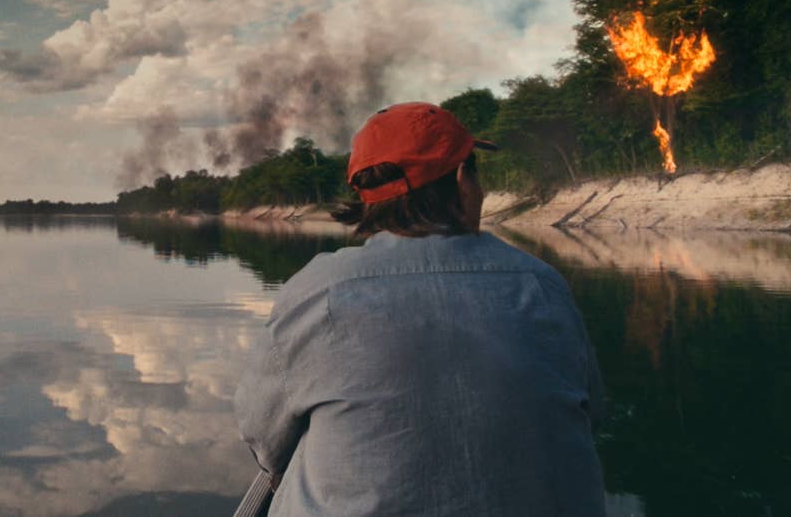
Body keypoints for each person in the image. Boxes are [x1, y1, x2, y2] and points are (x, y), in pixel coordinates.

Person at [234, 102, 605, 516]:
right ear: (465, 180)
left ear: (365, 196)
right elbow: (592, 409)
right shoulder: (543, 284)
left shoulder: (318, 290)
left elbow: (262, 435)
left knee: (301, 441)